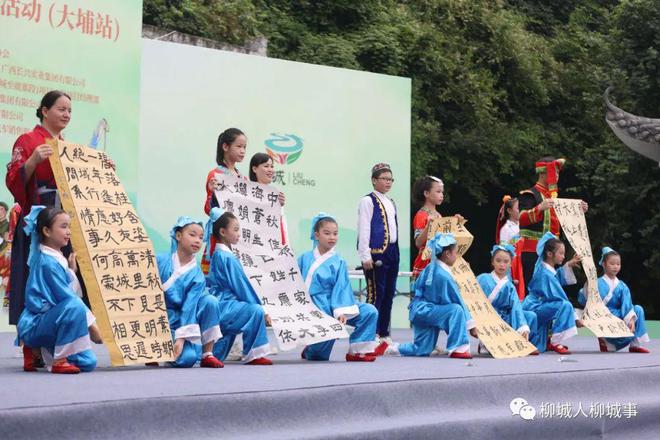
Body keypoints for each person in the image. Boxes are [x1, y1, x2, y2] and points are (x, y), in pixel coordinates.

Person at [5, 91, 74, 325]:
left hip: (63, 223)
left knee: (64, 277)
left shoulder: (68, 147)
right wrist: (32, 161)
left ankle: (62, 334)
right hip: (38, 222)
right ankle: (29, 338)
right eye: (61, 109)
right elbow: (13, 181)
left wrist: (102, 168)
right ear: (45, 111)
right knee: (32, 278)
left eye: (69, 111)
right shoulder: (27, 140)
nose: (67, 114)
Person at [17, 206, 101, 373]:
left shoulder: (55, 257)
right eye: (63, 227)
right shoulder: (47, 262)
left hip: (51, 320)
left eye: (69, 227)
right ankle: (57, 358)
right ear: (47, 231)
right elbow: (68, 298)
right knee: (75, 305)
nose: (68, 232)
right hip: (36, 323)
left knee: (88, 362)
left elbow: (63, 294)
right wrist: (92, 327)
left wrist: (71, 271)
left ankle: (37, 350)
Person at [298, 213, 385, 362]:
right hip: (314, 304)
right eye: (327, 233)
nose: (332, 237)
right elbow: (294, 284)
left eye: (335, 233)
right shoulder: (304, 258)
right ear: (316, 235)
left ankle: (357, 351)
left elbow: (342, 287)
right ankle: (311, 350)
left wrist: (340, 311)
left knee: (369, 311)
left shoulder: (339, 261)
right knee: (319, 356)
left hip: (337, 301)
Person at [205, 208, 273, 365]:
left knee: (217, 354)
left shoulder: (220, 255)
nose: (238, 234)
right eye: (235, 229)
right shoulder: (227, 257)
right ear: (223, 232)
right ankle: (254, 354)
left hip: (224, 305)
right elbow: (242, 287)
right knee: (255, 311)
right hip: (226, 305)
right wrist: (264, 311)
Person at [394, 233, 476, 359]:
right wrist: (471, 325)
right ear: (447, 254)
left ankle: (393, 348)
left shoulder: (431, 267)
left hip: (422, 310)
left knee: (421, 349)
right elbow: (455, 299)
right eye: (455, 252)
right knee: (456, 310)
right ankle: (458, 348)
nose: (457, 256)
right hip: (427, 310)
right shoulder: (442, 275)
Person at [156, 217, 224, 368]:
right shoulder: (160, 260)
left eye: (201, 237)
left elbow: (189, 307)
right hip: (157, 319)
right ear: (178, 235)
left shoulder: (197, 274)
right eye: (192, 235)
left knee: (210, 301)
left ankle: (207, 353)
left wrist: (180, 339)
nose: (197, 241)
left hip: (180, 321)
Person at [516, 157, 587, 295]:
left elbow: (564, 222)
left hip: (550, 254)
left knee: (548, 291)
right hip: (532, 253)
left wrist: (578, 211)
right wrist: (539, 208)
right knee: (531, 291)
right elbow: (521, 219)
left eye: (558, 173)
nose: (557, 176)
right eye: (554, 172)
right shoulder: (530, 195)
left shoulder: (554, 198)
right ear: (543, 173)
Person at [357, 163, 399, 344]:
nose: (388, 182)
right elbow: (364, 227)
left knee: (389, 293)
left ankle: (383, 333)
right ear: (374, 180)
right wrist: (365, 255)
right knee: (376, 293)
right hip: (376, 253)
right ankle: (370, 333)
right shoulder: (368, 200)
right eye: (384, 179)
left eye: (390, 179)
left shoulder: (391, 201)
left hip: (392, 251)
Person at [578, 247, 650, 353]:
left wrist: (631, 318)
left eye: (618, 264)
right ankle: (605, 340)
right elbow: (583, 300)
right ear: (604, 264)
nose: (616, 266)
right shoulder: (597, 283)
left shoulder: (622, 285)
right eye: (612, 263)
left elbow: (627, 304)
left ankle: (634, 344)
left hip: (618, 314)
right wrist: (588, 285)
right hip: (603, 316)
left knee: (638, 309)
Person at [522, 232, 582, 354]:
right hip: (535, 307)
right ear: (549, 254)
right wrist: (576, 318)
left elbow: (557, 277)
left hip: (538, 305)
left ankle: (550, 340)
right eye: (561, 253)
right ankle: (556, 342)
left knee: (540, 346)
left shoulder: (546, 270)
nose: (563, 256)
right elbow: (559, 296)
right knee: (564, 305)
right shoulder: (545, 274)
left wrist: (569, 265)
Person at [476, 244, 540, 354]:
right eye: (498, 261)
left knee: (530, 315)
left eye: (506, 262)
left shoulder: (510, 286)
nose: (502, 264)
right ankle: (486, 343)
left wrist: (523, 327)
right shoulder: (483, 278)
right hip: (487, 318)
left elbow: (516, 307)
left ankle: (524, 343)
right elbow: (471, 295)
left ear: (511, 264)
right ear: (492, 262)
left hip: (505, 318)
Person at [202, 128, 248, 274]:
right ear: (225, 147)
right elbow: (209, 210)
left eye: (244, 147)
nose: (242, 151)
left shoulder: (243, 179)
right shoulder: (215, 175)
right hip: (222, 235)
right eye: (239, 146)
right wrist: (211, 192)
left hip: (239, 235)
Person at [411, 176, 465, 281]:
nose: (441, 195)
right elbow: (418, 242)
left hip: (439, 260)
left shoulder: (438, 215)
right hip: (426, 261)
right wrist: (428, 227)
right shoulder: (421, 215)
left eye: (442, 192)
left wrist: (456, 223)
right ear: (426, 193)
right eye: (438, 191)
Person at [248, 152, 288, 244]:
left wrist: (280, 206)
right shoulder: (247, 193)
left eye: (272, 166)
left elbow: (282, 226)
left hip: (273, 244)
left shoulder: (276, 195)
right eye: (266, 166)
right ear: (254, 169)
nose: (271, 170)